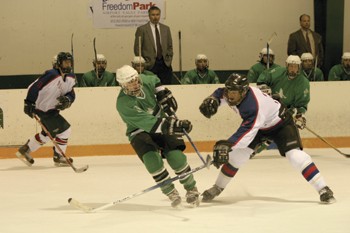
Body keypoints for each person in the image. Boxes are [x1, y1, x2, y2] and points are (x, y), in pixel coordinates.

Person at [198, 73, 335, 204]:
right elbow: (219, 93)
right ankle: (218, 187)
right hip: (261, 125)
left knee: (295, 156)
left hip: (280, 124)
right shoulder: (232, 93)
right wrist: (212, 100)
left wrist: (228, 145)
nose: (230, 96)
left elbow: (247, 132)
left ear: (244, 92)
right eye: (229, 91)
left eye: (234, 92)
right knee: (237, 157)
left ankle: (323, 188)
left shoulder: (253, 106)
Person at [115, 65, 200, 208]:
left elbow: (155, 80)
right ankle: (170, 191)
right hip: (139, 131)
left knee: (176, 157)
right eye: (130, 82)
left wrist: (161, 92)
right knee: (152, 160)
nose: (135, 83)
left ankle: (191, 188)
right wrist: (177, 125)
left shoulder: (145, 80)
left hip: (161, 121)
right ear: (122, 85)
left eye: (135, 79)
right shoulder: (123, 103)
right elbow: (152, 125)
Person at [15, 52, 75, 167]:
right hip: (43, 110)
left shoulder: (71, 77)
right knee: (65, 130)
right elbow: (34, 87)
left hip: (51, 110)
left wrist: (68, 99)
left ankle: (26, 149)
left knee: (47, 134)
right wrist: (29, 102)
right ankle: (59, 157)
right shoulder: (52, 74)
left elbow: (71, 93)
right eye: (65, 62)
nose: (68, 65)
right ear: (58, 64)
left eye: (69, 62)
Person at [134, 6, 173, 85]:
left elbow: (170, 46)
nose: (155, 17)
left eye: (157, 14)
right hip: (149, 65)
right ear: (149, 16)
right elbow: (137, 49)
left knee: (166, 87)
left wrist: (169, 59)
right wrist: (144, 63)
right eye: (153, 15)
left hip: (165, 64)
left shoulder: (166, 29)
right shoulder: (142, 29)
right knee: (150, 87)